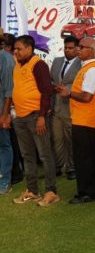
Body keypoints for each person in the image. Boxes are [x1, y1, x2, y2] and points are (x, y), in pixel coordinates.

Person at [11, 35, 59, 206]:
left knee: (45, 155)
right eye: (15, 49)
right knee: (27, 156)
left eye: (19, 49)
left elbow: (47, 92)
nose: (16, 52)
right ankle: (32, 190)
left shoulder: (38, 65)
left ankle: (51, 191)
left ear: (30, 48)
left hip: (35, 116)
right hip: (20, 116)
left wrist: (41, 117)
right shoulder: (17, 65)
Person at [58, 37, 95, 204]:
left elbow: (86, 96)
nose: (78, 49)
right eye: (78, 47)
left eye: (82, 47)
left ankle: (88, 193)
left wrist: (68, 93)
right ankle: (86, 191)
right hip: (81, 119)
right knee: (83, 157)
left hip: (85, 120)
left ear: (91, 50)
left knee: (85, 158)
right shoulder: (87, 68)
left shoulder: (91, 69)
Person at [50, 35, 81, 180]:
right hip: (56, 107)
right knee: (57, 139)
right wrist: (54, 86)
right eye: (66, 48)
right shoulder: (56, 61)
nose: (67, 51)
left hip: (72, 108)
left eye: (71, 48)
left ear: (77, 48)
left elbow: (81, 84)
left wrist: (67, 89)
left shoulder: (82, 64)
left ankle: (72, 167)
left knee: (71, 139)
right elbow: (50, 80)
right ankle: (57, 166)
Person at [0, 33, 15, 194]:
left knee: (3, 145)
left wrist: (4, 114)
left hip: (1, 108)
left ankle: (4, 182)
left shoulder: (5, 58)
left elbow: (8, 90)